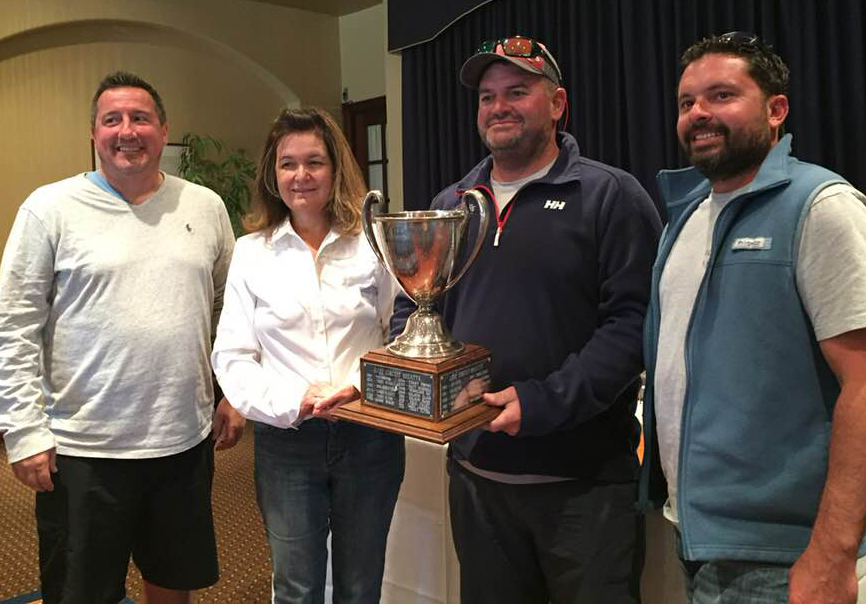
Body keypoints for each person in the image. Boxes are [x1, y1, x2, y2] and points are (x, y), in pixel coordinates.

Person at [392, 36, 661, 603]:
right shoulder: (453, 201)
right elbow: (414, 305)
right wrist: (413, 371)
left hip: (583, 487)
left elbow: (632, 324)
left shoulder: (609, 195)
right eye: (487, 97)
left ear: (557, 103)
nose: (498, 107)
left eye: (517, 91)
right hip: (477, 481)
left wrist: (541, 402)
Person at [0, 71, 244, 604]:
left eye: (140, 118)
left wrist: (230, 392)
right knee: (80, 593)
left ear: (163, 129)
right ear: (94, 133)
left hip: (181, 440)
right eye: (113, 120)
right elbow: (13, 325)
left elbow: (233, 308)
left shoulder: (205, 208)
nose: (127, 131)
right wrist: (23, 431)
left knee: (172, 584)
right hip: (81, 449)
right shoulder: (49, 209)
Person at [640, 32, 866, 603]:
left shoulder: (821, 207)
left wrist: (832, 550)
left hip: (789, 556)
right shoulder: (685, 218)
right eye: (687, 102)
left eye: (721, 96)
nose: (699, 115)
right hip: (699, 539)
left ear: (775, 110)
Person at [211, 107, 405, 604]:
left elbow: (400, 335)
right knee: (297, 586)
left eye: (314, 162)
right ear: (272, 175)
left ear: (336, 168)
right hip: (287, 443)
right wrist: (291, 403)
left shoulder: (375, 244)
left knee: (361, 584)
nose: (301, 176)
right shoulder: (252, 252)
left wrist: (359, 389)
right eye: (288, 164)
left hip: (369, 436)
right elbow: (232, 354)